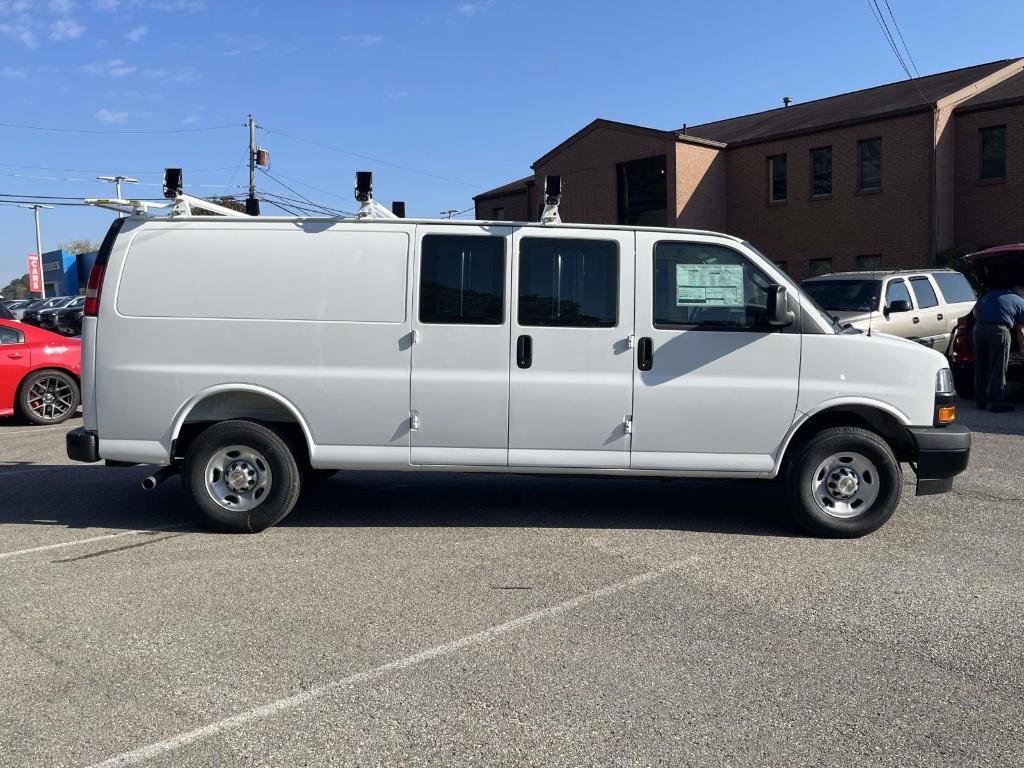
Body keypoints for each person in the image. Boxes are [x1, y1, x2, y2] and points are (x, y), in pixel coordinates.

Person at [974, 283, 1024, 412]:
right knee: (998, 367)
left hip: (979, 328)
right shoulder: (1021, 302)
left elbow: (975, 311)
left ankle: (981, 401)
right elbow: (1021, 330)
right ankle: (997, 403)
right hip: (999, 331)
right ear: (1022, 292)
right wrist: (1022, 348)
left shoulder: (991, 294)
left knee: (981, 365)